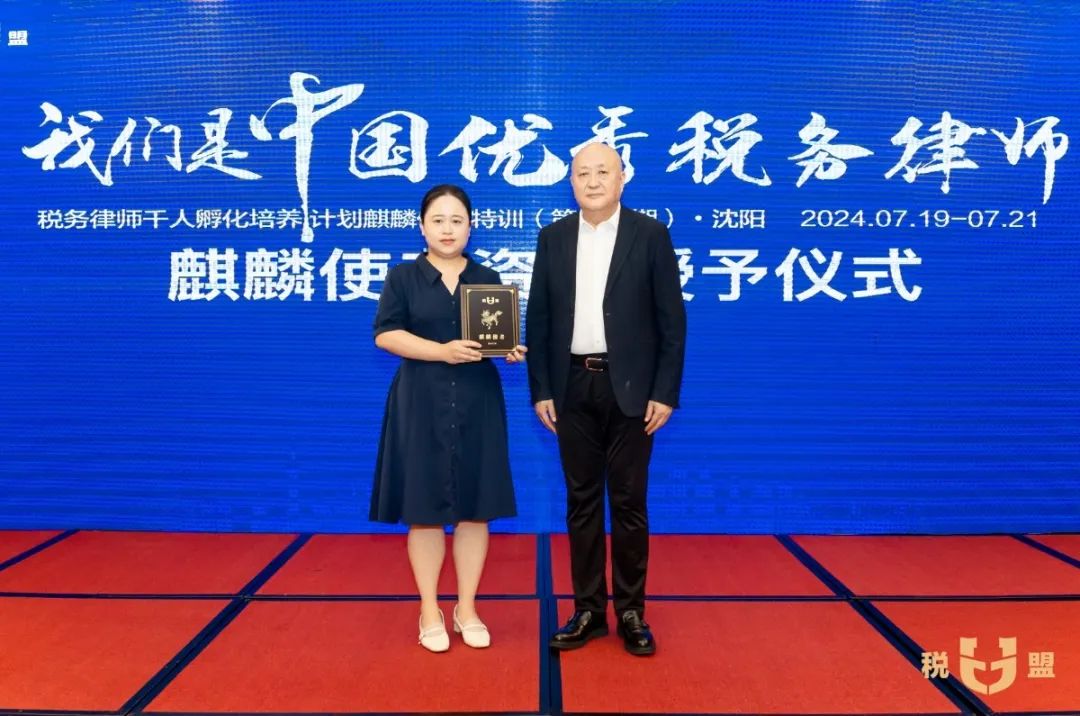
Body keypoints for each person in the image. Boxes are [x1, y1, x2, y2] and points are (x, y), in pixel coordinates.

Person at [526, 143, 686, 656]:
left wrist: (664, 392)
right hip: (572, 386)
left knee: (629, 502)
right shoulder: (553, 238)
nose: (592, 181)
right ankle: (589, 610)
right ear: (570, 182)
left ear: (622, 178)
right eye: (582, 174)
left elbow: (672, 323)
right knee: (582, 502)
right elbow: (539, 319)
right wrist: (541, 388)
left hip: (633, 390)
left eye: (603, 172)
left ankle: (632, 611)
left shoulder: (650, 235)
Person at [370, 184, 527, 652]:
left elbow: (493, 337)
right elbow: (385, 335)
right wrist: (441, 351)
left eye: (457, 221)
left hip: (478, 402)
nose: (447, 229)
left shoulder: (486, 276)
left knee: (476, 510)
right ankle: (429, 609)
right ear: (422, 227)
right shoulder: (404, 277)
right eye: (438, 220)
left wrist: (508, 350)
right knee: (424, 513)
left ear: (470, 227)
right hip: (421, 402)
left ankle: (467, 608)